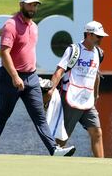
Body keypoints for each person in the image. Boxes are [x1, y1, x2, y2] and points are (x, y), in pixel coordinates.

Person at [0, 0, 75, 156]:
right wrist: (14, 76)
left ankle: (54, 149)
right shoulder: (11, 25)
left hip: (31, 77)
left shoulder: (34, 26)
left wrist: (31, 76)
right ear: (21, 5)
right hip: (9, 77)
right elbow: (4, 53)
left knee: (39, 115)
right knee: (4, 113)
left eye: (35, 5)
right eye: (29, 4)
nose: (32, 8)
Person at [45, 21, 108, 158]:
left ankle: (103, 167)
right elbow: (59, 71)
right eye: (98, 36)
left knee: (97, 133)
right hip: (71, 99)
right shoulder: (73, 50)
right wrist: (50, 91)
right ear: (89, 35)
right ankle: (53, 165)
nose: (101, 39)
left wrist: (96, 95)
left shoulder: (99, 53)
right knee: (62, 138)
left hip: (87, 101)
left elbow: (96, 75)